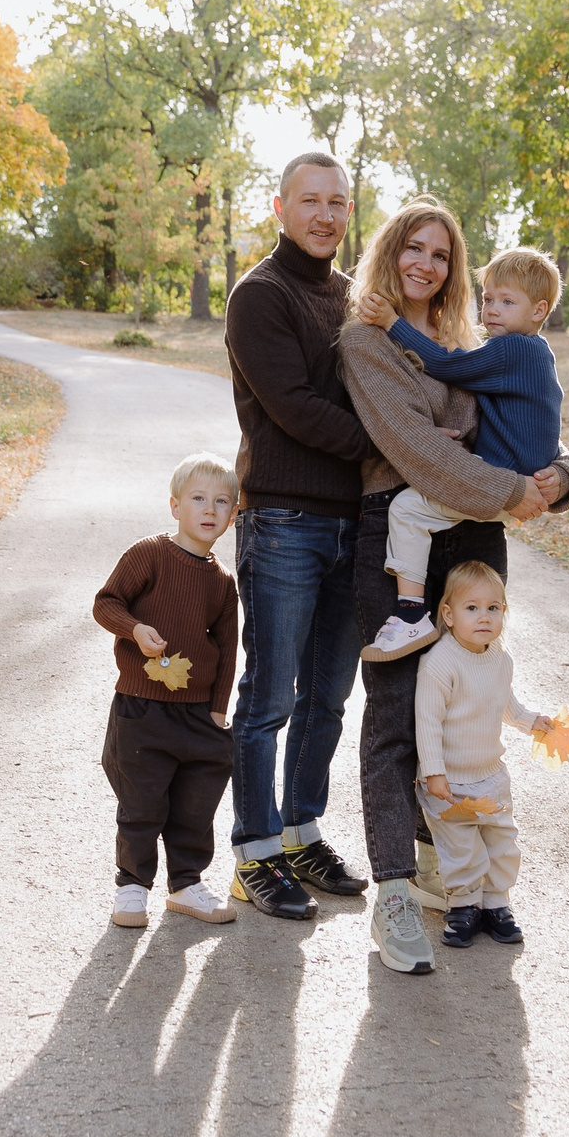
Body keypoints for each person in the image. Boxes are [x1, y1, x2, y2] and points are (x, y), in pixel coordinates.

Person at [339, 199, 569, 975]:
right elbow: (418, 452)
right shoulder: (367, 340)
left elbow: (531, 426)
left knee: (468, 706)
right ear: (390, 254)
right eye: (413, 248)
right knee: (398, 719)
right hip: (401, 528)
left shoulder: (477, 342)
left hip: (474, 534)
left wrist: (564, 476)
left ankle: (452, 867)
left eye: (441, 254)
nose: (426, 265)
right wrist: (512, 487)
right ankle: (397, 893)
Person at [221, 153, 375, 921]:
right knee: (269, 695)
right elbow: (296, 409)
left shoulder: (354, 299)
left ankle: (300, 829)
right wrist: (390, 447)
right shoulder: (260, 295)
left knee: (327, 697)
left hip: (355, 525)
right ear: (280, 207)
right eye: (310, 201)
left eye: (338, 203)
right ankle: (254, 851)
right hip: (283, 520)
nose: (324, 215)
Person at [357, 247, 565, 659]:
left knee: (407, 510)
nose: (492, 310)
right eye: (488, 299)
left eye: (508, 302)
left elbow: (446, 364)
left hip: (500, 482)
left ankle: (410, 615)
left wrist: (392, 322)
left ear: (539, 311)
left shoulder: (513, 349)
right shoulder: (537, 353)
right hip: (514, 481)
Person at [91, 452, 243, 928]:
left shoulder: (221, 582)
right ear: (175, 506)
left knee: (196, 805)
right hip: (143, 709)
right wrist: (134, 630)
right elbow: (105, 603)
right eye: (198, 498)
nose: (209, 509)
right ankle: (132, 887)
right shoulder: (148, 555)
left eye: (222, 502)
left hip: (198, 714)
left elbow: (227, 647)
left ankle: (187, 883)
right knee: (142, 803)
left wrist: (220, 708)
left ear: (233, 516)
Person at [414, 561, 550, 949]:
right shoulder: (440, 662)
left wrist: (530, 721)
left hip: (490, 777)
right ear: (449, 614)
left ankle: (496, 904)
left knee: (501, 842)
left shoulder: (500, 660)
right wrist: (433, 771)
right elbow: (427, 721)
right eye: (471, 608)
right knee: (461, 849)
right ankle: (462, 906)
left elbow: (505, 704)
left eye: (494, 608)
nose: (484, 617)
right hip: (449, 781)